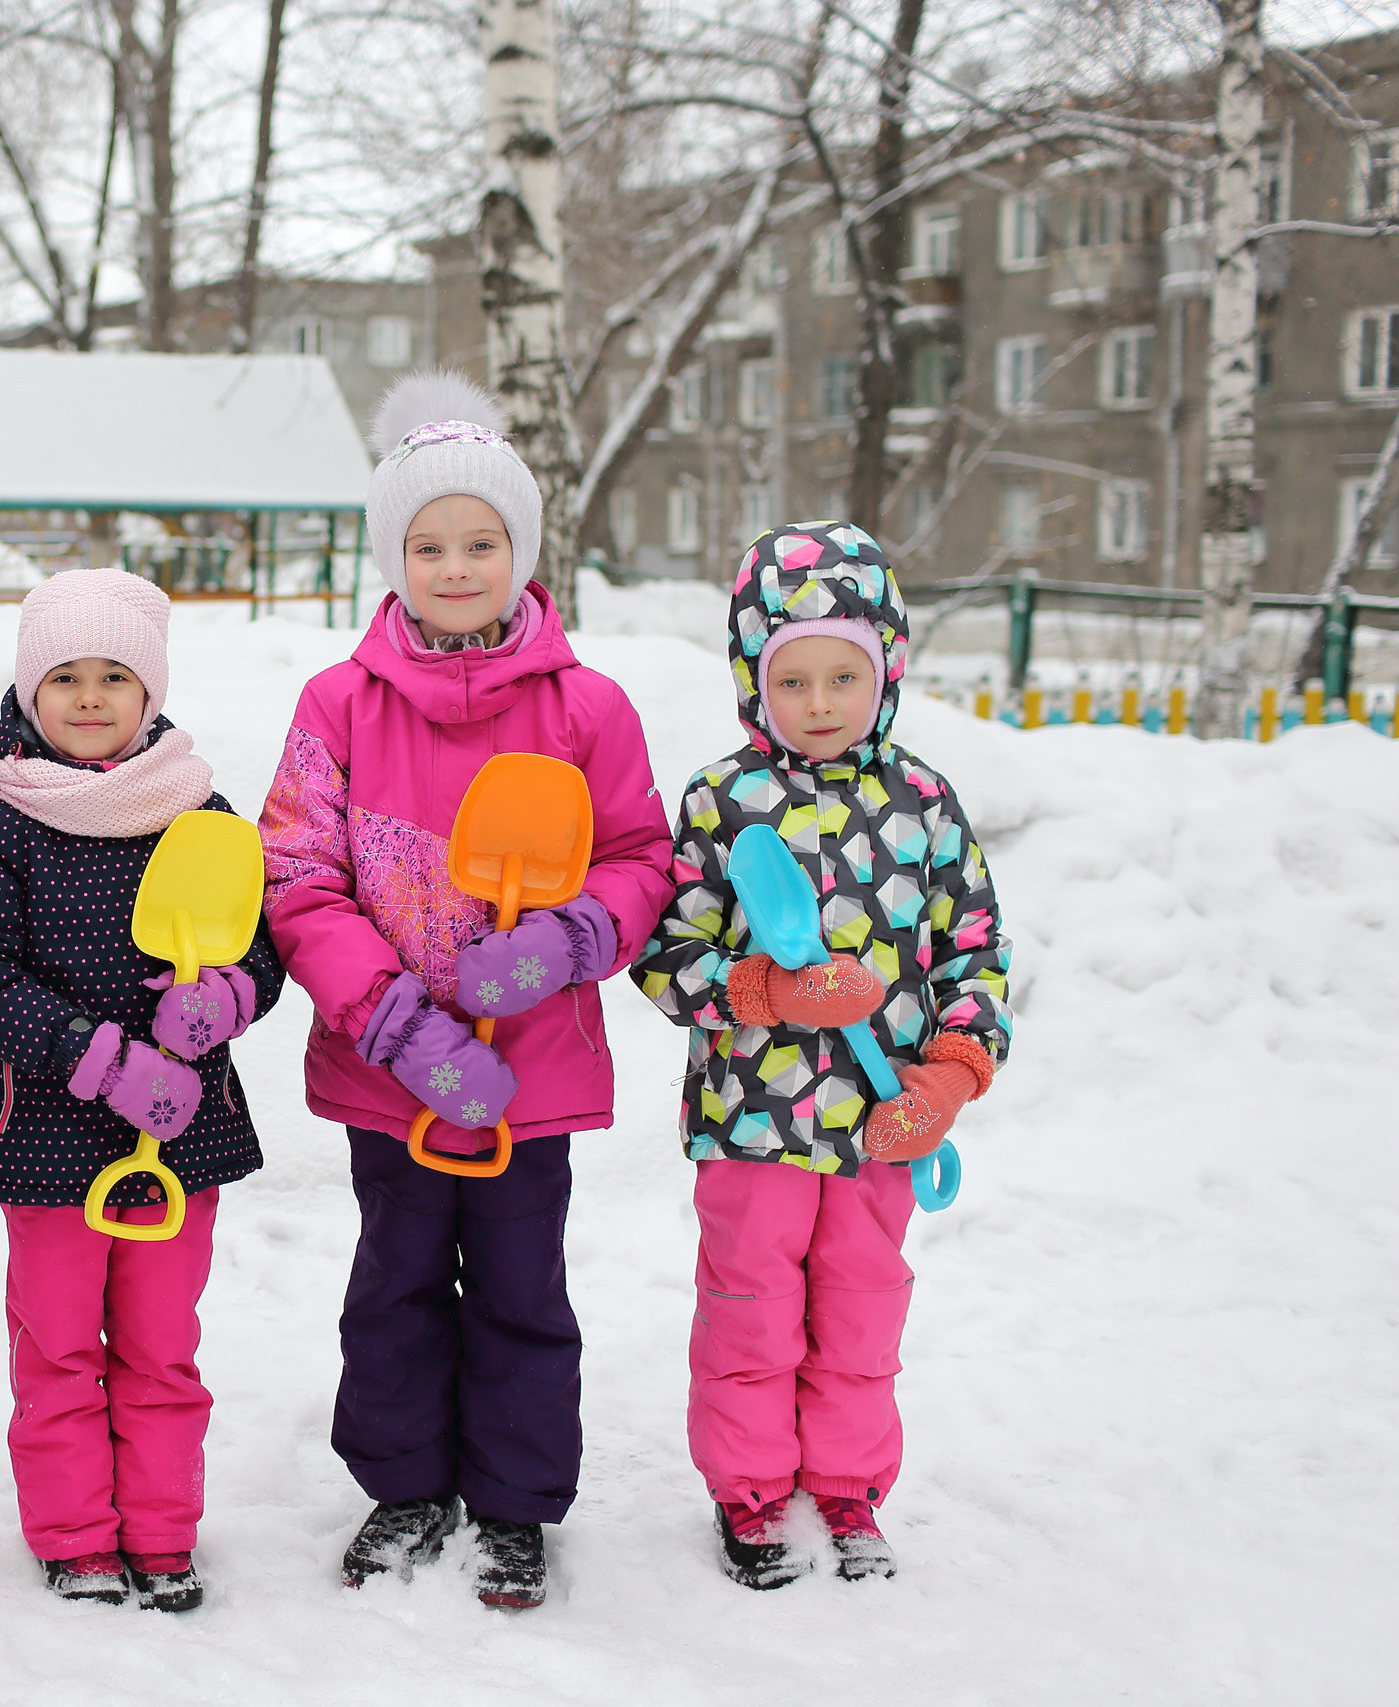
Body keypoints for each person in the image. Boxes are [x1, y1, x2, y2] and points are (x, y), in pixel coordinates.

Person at [258, 373, 672, 1609]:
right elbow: (298, 874)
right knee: (392, 1279)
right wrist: (391, 1019)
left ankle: (512, 1503)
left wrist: (571, 940)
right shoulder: (337, 704)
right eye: (427, 544)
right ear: (392, 557)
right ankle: (400, 1484)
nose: (454, 565)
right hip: (394, 1078)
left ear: (521, 552)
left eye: (480, 542)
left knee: (517, 1284)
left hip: (528, 1071)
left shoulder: (585, 708)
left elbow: (643, 856)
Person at [629, 519, 1012, 1588]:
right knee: (749, 1311)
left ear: (886, 673)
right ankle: (750, 1495)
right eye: (792, 682)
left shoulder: (925, 806)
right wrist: (766, 987)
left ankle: (847, 1489)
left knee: (860, 1309)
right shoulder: (722, 801)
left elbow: (976, 958)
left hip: (881, 1126)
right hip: (753, 1119)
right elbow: (663, 955)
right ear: (754, 684)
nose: (822, 704)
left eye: (845, 676)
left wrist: (946, 1077)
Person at [0, 568, 283, 1613]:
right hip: (43, 1133)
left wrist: (218, 1002)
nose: (89, 697)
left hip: (180, 1140)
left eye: (114, 676)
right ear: (30, 694)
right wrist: (99, 1057)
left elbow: (259, 951)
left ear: (151, 691)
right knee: (58, 1344)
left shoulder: (201, 817)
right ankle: (79, 1537)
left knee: (163, 1347)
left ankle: (164, 1533)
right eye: (65, 677)